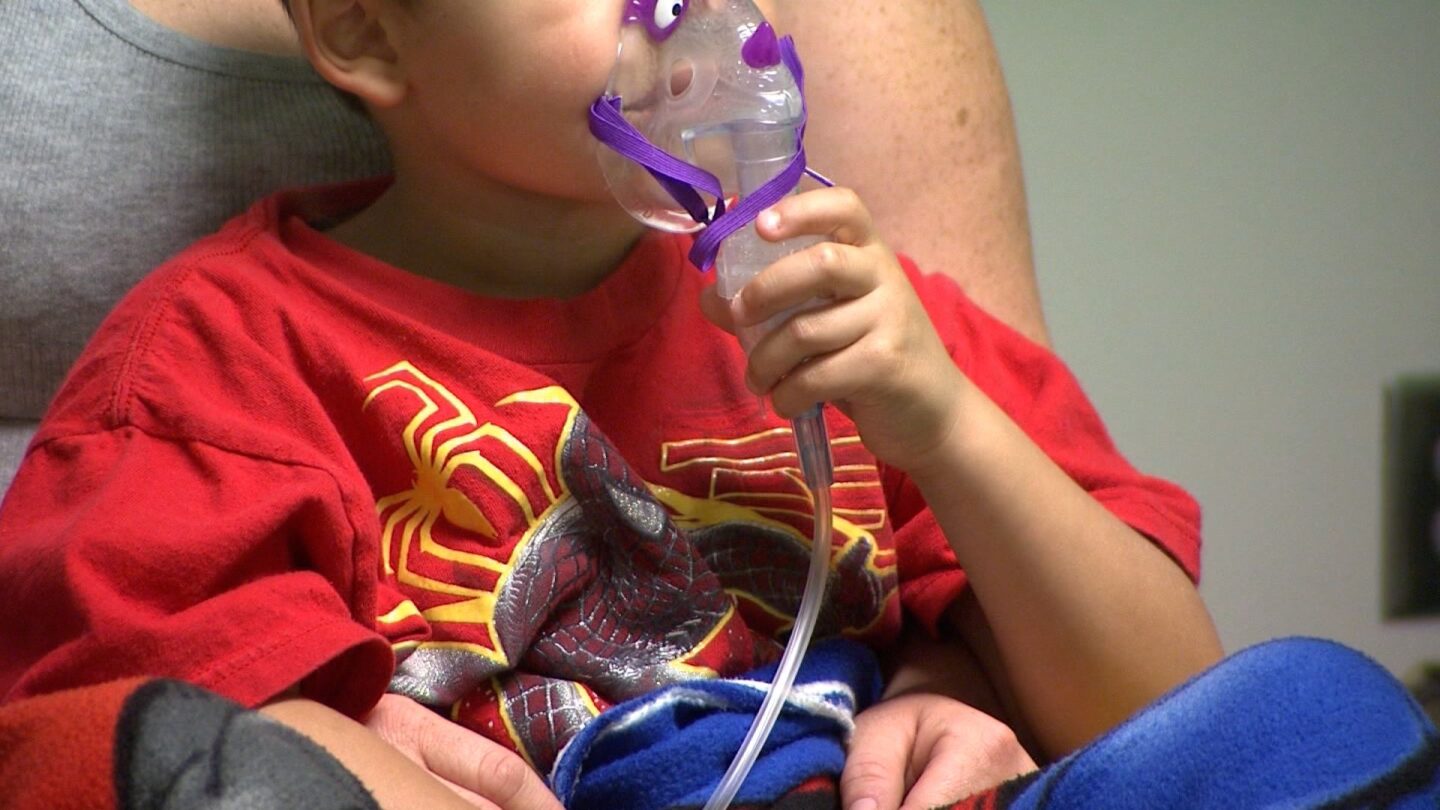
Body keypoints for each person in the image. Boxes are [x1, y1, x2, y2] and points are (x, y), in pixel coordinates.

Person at [0, 2, 1216, 810]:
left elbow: (1172, 699)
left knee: (1317, 709)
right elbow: (129, 730)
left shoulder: (868, 317)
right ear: (367, 28)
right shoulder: (224, 362)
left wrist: (943, 424)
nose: (679, 11)